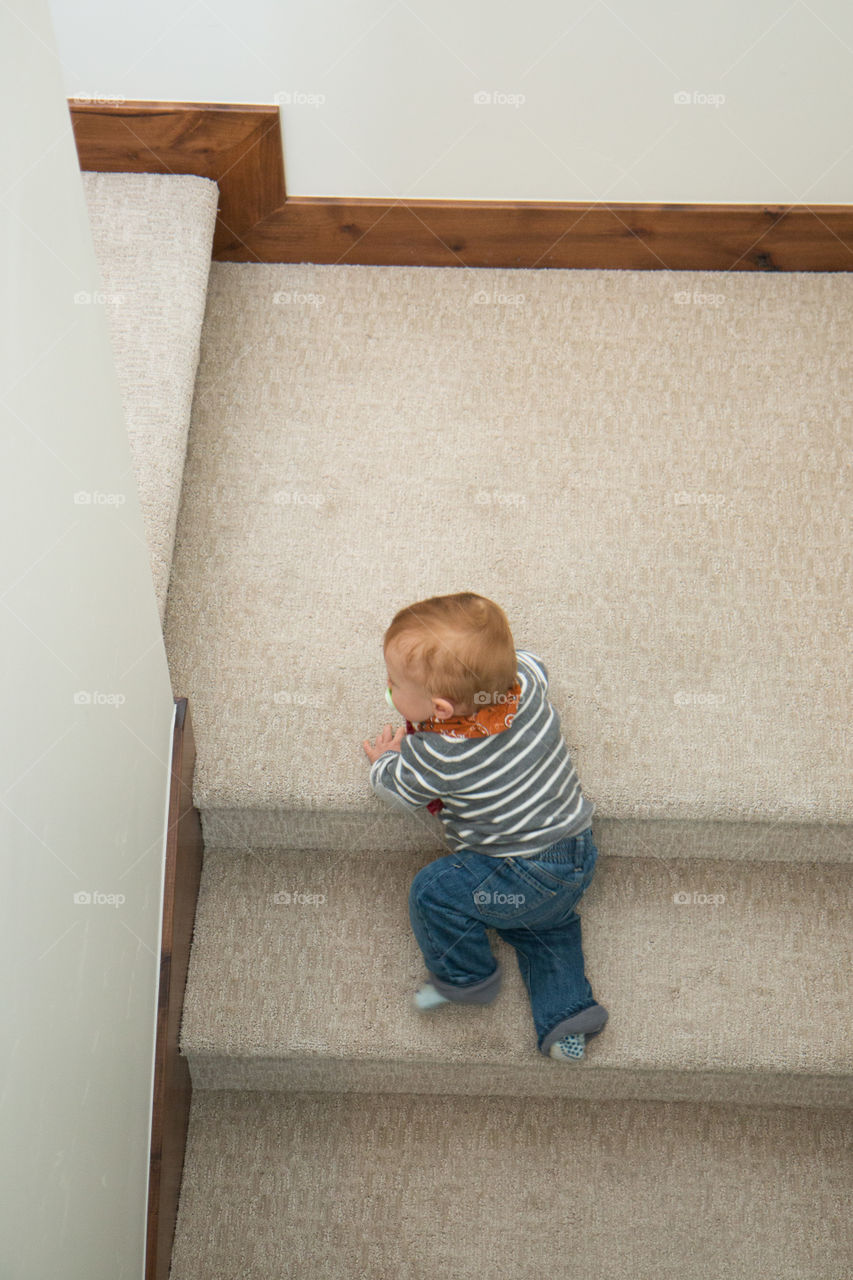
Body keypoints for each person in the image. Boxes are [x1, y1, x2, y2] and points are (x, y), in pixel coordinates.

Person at [362, 591, 608, 1060]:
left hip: (519, 872)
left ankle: (466, 978)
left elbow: (399, 792)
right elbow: (536, 662)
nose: (389, 689)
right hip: (576, 851)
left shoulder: (436, 754)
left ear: (439, 711)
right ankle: (567, 1018)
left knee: (432, 891)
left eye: (393, 684)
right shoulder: (525, 685)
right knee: (549, 927)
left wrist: (385, 762)